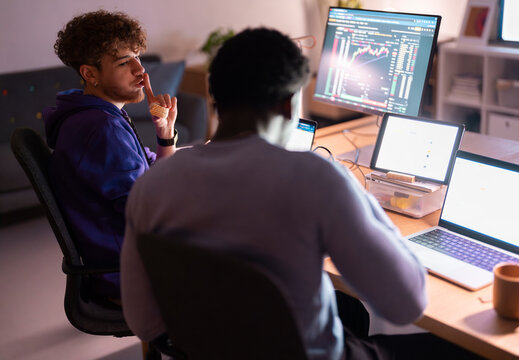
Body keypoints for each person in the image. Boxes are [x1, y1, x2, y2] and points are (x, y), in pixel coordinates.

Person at [120, 28, 483, 359]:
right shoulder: (315, 178)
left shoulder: (154, 184)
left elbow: (144, 324)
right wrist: (367, 209)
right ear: (289, 103)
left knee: (347, 308)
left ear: (214, 96)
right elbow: (406, 303)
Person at [44, 10, 178, 303]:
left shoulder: (98, 115)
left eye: (138, 57)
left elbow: (149, 179)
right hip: (131, 273)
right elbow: (146, 212)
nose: (141, 71)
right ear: (89, 74)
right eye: (123, 62)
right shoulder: (101, 128)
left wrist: (165, 136)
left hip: (130, 259)